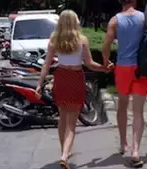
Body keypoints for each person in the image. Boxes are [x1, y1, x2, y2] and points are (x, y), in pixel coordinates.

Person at [36, 9, 110, 169]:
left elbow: (46, 64)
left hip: (61, 78)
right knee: (72, 123)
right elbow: (89, 64)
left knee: (62, 117)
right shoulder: (82, 40)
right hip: (76, 78)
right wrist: (104, 68)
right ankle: (65, 155)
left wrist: (39, 83)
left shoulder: (55, 39)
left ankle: (64, 151)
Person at [102, 0, 147, 168]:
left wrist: (106, 62)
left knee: (123, 104)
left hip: (123, 68)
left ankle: (123, 143)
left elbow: (106, 45)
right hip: (142, 68)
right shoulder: (144, 18)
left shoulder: (114, 20)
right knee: (138, 111)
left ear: (120, 1)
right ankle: (135, 151)